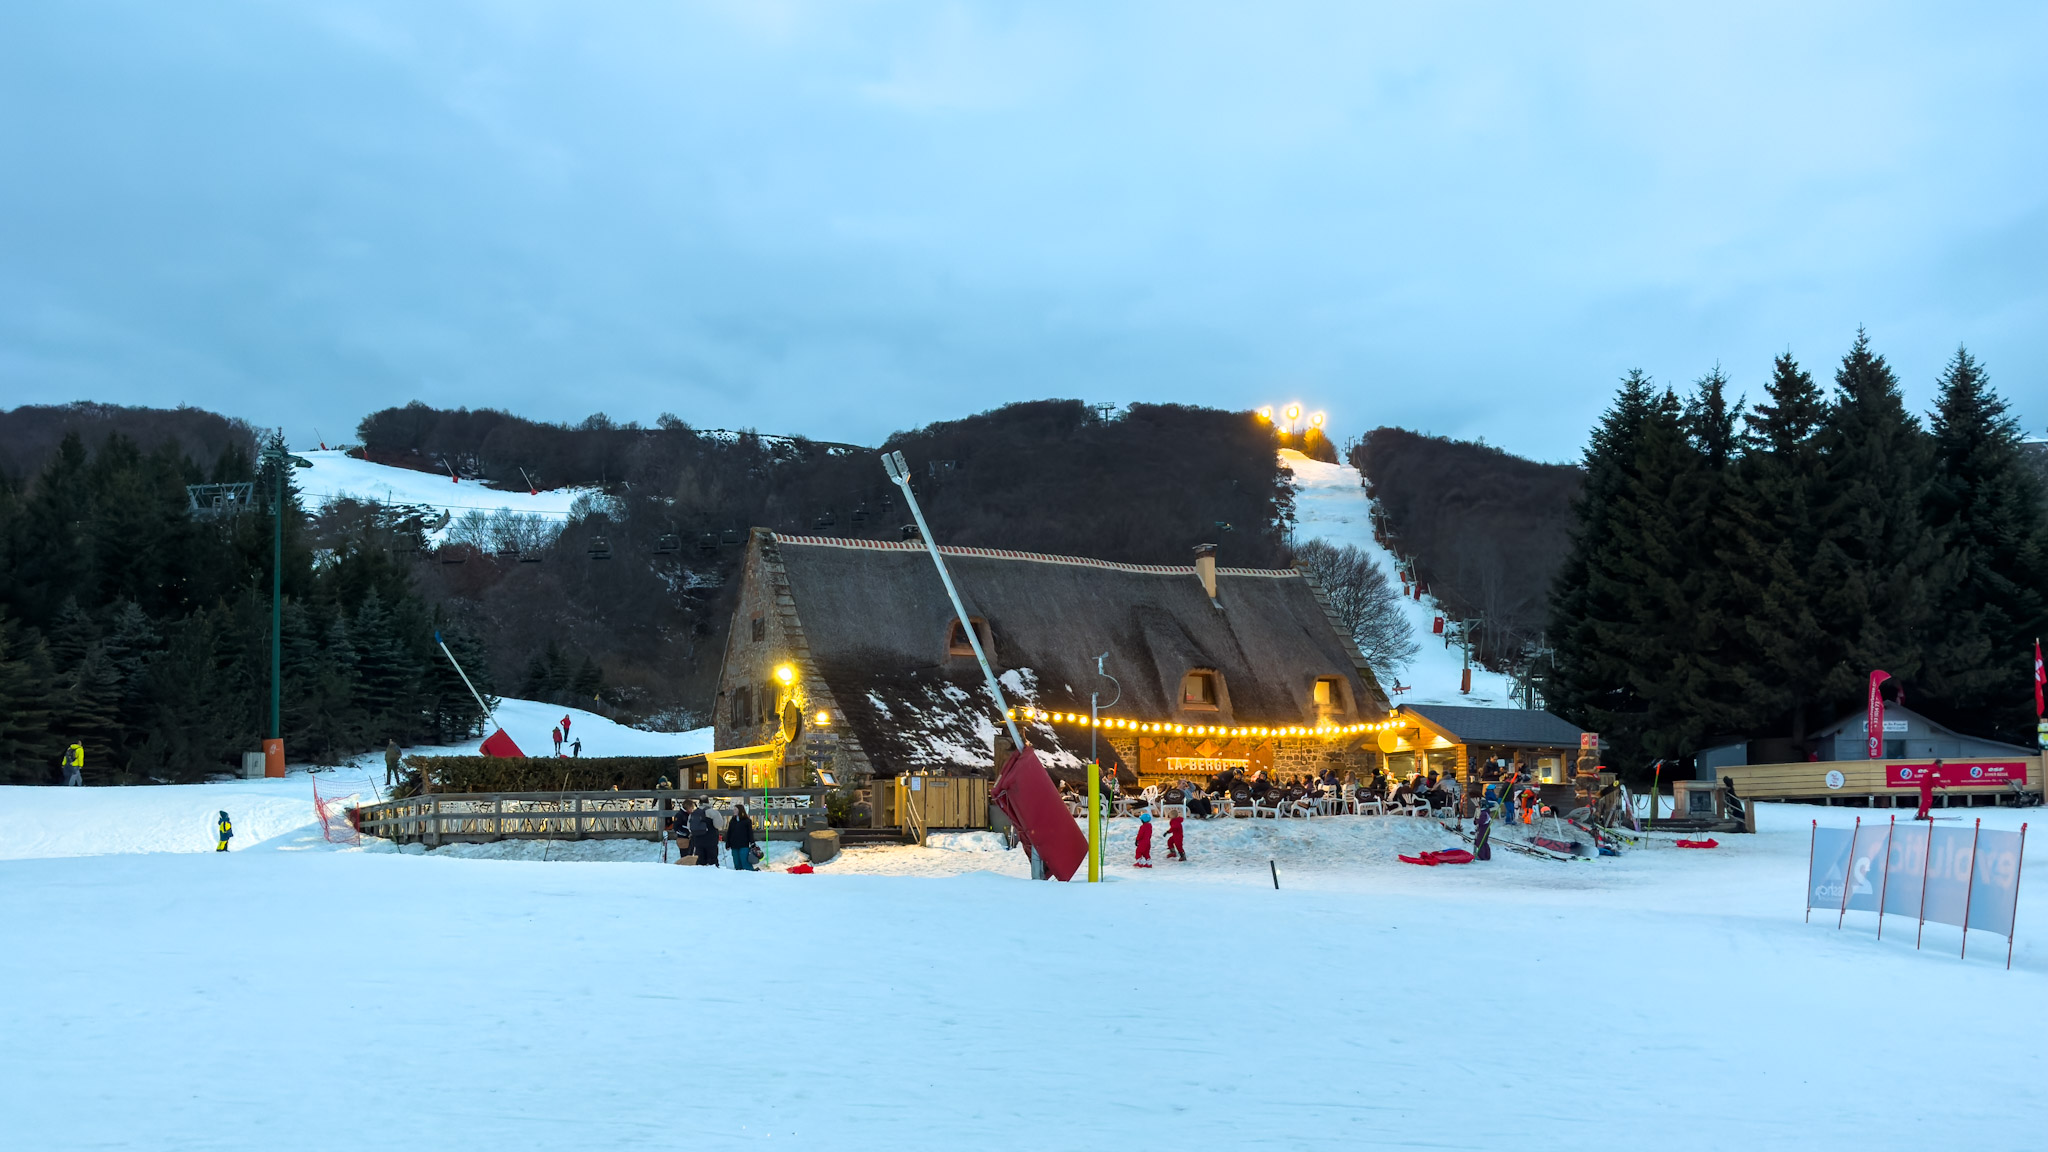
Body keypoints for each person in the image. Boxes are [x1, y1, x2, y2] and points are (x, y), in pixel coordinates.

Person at [726, 802, 756, 871]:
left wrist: (752, 842)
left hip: (744, 845)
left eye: (735, 809)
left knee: (744, 862)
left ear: (740, 810)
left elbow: (750, 833)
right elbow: (729, 833)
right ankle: (739, 876)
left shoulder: (747, 821)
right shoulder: (732, 821)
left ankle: (750, 875)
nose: (734, 811)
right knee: (737, 863)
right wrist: (728, 843)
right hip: (734, 845)